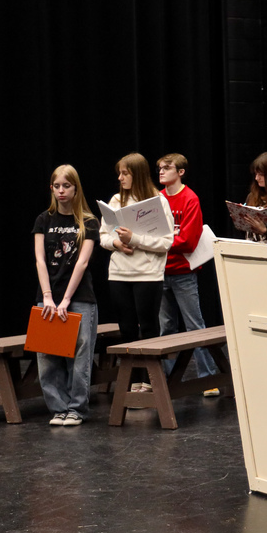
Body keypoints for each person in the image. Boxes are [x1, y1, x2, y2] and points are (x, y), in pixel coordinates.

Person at [32, 164, 100, 426]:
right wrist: (48, 297)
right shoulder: (43, 220)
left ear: (75, 189)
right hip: (48, 296)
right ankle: (58, 408)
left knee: (80, 354)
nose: (61, 191)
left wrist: (67, 299)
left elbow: (82, 263)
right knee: (47, 356)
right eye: (57, 186)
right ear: (52, 188)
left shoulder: (88, 221)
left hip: (79, 296)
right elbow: (39, 260)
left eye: (66, 186)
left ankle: (76, 409)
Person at [99, 153, 174, 390]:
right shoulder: (115, 200)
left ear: (137, 174)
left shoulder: (158, 201)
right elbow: (103, 235)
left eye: (125, 173)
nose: (120, 178)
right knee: (127, 329)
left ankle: (148, 380)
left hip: (147, 275)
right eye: (119, 173)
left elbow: (166, 242)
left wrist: (135, 239)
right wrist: (117, 243)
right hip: (119, 274)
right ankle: (132, 382)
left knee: (149, 328)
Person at [156, 153, 218, 389]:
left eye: (167, 168)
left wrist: (161, 241)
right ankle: (169, 381)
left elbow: (189, 241)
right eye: (159, 168)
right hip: (161, 272)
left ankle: (208, 377)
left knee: (194, 325)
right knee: (166, 328)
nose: (161, 172)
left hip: (183, 273)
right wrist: (166, 239)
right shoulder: (158, 198)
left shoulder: (190, 199)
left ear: (180, 172)